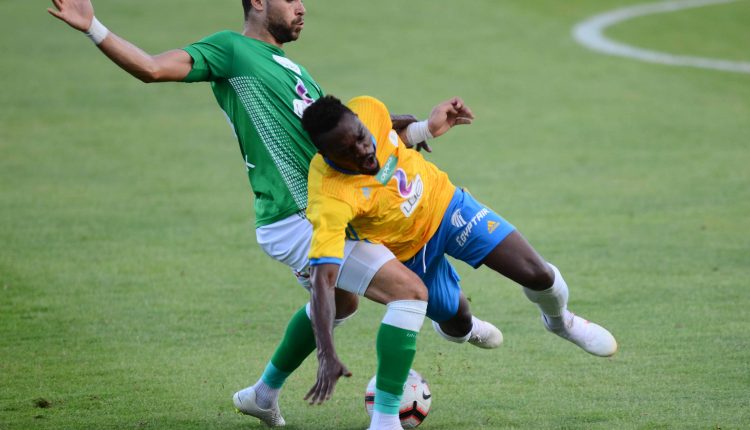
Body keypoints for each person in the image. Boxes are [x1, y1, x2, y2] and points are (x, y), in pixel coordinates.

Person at [47, 1, 501, 427]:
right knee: (408, 292)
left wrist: (417, 129)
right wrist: (93, 27)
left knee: (343, 302)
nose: (301, 7)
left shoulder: (290, 67)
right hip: (296, 217)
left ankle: (263, 395)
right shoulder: (232, 51)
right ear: (259, 2)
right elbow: (151, 67)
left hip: (324, 211)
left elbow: (347, 134)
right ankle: (387, 417)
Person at [301, 94, 618, 429]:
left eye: (361, 138)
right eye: (347, 151)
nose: (364, 151)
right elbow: (323, 279)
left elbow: (391, 129)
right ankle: (464, 328)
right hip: (409, 254)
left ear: (359, 121)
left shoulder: (367, 108)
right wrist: (326, 352)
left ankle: (561, 321)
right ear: (326, 155)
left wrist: (426, 127)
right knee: (458, 322)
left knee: (538, 274)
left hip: (448, 206)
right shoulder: (330, 196)